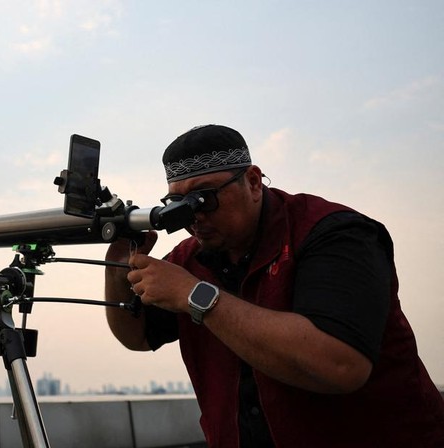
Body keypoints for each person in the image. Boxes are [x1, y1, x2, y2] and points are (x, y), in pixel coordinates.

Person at [104, 124, 444, 447]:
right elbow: (138, 336)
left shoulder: (336, 234)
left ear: (253, 182)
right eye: (177, 205)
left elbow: (341, 365)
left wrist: (196, 296)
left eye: (203, 199)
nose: (193, 217)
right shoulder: (189, 259)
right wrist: (116, 269)